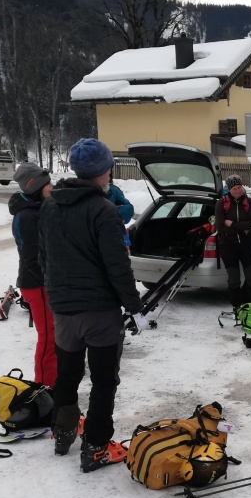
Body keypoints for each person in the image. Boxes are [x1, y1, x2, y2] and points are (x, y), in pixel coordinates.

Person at [39, 138, 147, 473]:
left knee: (67, 373)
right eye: (108, 168)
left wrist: (57, 294)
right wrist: (134, 307)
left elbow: (43, 258)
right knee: (103, 380)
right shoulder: (104, 211)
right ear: (103, 171)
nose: (110, 174)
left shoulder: (50, 207)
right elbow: (118, 266)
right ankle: (96, 446)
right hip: (99, 312)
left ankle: (63, 432)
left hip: (63, 310)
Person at [9, 162, 56, 391]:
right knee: (48, 337)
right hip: (37, 284)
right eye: (47, 184)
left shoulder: (38, 208)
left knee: (54, 336)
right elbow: (30, 257)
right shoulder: (28, 215)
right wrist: (47, 281)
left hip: (43, 282)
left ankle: (54, 382)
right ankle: (44, 387)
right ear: (35, 187)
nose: (51, 186)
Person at [214, 174, 251, 309]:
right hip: (228, 246)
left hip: (246, 244)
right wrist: (242, 227)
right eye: (234, 188)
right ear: (229, 189)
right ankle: (236, 306)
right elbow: (220, 227)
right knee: (234, 279)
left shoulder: (250, 202)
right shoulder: (221, 203)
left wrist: (232, 224)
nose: (237, 191)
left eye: (239, 187)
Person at [106, 170, 134, 249]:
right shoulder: (87, 192)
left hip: (116, 235)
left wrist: (110, 214)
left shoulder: (114, 191)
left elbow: (129, 210)